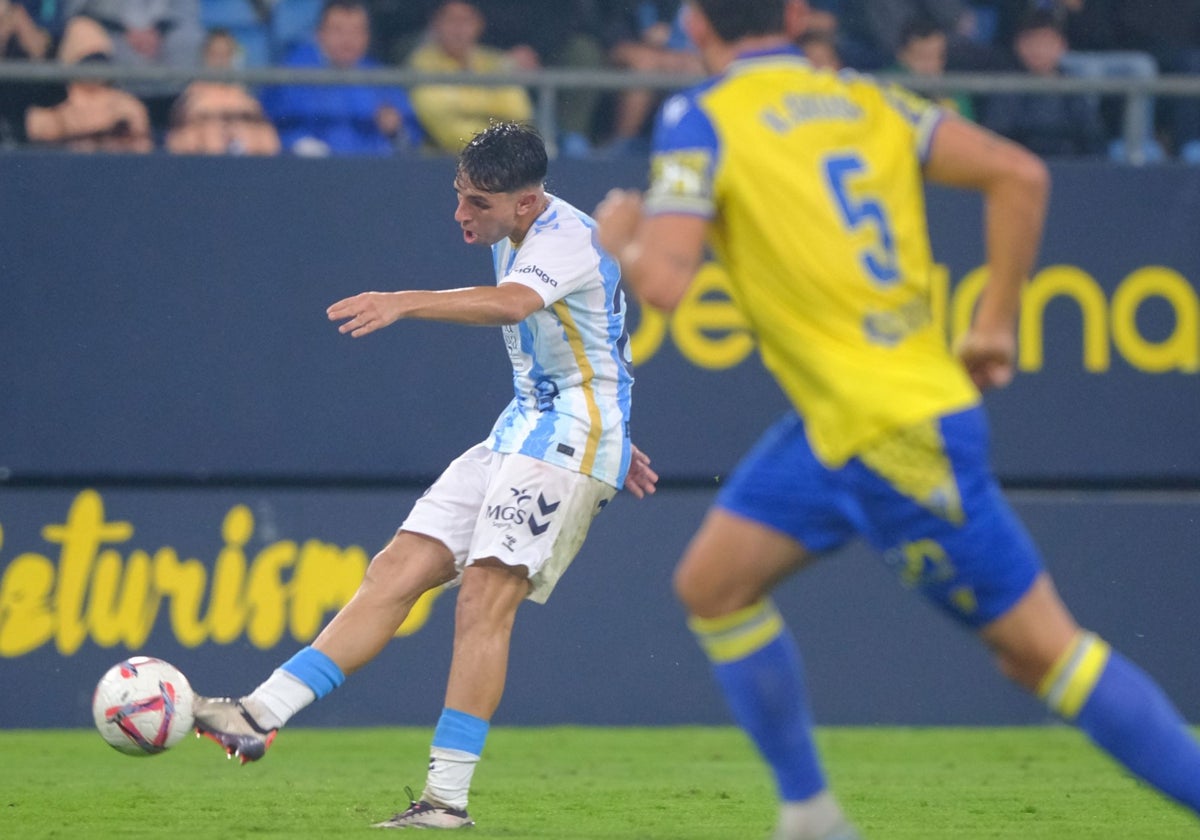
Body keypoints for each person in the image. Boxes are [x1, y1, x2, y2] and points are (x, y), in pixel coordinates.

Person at [594, 1, 1200, 838]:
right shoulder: (867, 100)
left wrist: (621, 238)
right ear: (793, 13)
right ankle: (811, 816)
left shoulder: (701, 117)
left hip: (896, 432)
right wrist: (995, 318)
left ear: (698, 26)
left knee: (1040, 652)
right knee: (712, 585)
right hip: (837, 425)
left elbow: (663, 283)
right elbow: (1020, 175)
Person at [192, 121, 658, 830]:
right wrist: (617, 434)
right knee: (395, 570)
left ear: (528, 203)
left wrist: (402, 301)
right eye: (459, 195)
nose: (461, 214)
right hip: (528, 426)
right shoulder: (515, 229)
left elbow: (513, 305)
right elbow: (595, 339)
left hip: (568, 437)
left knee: (481, 601)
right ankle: (260, 714)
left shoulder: (561, 238)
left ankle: (444, 801)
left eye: (477, 202)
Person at [262, 0, 423, 157]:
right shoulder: (292, 75)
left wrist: (396, 131)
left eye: (356, 31)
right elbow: (273, 127)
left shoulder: (381, 79)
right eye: (338, 30)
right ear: (320, 33)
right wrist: (301, 145)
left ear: (367, 36)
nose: (348, 40)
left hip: (372, 174)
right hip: (310, 174)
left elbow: (410, 139)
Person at [404, 1, 533, 155]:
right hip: (443, 162)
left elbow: (519, 113)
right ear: (436, 24)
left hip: (500, 161)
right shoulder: (422, 63)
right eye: (451, 20)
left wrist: (464, 107)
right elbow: (444, 125)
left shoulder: (494, 62)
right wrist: (491, 107)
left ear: (479, 24)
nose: (459, 29)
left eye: (466, 20)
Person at [983, 10, 1106, 158]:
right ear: (1018, 45)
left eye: (1046, 43)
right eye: (1032, 42)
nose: (1039, 50)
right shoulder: (1006, 87)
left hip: (1073, 171)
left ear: (1062, 45)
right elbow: (996, 141)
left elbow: (1093, 142)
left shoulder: (1075, 89)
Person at [24, 15, 153, 152]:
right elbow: (40, 144)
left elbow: (143, 149)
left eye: (100, 61)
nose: (95, 70)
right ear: (72, 61)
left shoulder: (128, 106)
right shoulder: (54, 106)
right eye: (88, 61)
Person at [165, 81, 281, 155]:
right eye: (205, 117)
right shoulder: (187, 134)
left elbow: (271, 148)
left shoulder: (247, 106)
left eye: (239, 116)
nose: (225, 121)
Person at [892, 17, 974, 120]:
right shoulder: (882, 85)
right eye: (922, 57)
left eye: (938, 56)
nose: (930, 66)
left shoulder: (954, 90)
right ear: (902, 56)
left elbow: (969, 129)